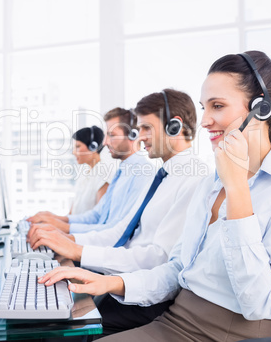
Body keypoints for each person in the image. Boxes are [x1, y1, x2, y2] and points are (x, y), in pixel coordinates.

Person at [39, 51, 271, 341]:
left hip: (228, 332)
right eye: (204, 107)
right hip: (177, 314)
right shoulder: (210, 183)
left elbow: (258, 303)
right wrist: (109, 282)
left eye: (218, 106)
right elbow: (177, 268)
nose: (205, 121)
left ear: (260, 109)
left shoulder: (243, 185)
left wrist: (237, 187)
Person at [31, 89, 208, 332]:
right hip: (126, 278)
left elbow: (160, 258)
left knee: (57, 327)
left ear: (173, 127)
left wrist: (78, 249)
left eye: (146, 128)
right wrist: (71, 243)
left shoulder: (193, 179)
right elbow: (120, 232)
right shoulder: (163, 175)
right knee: (48, 308)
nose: (140, 136)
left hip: (146, 293)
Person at [27, 108, 155, 234]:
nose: (104, 142)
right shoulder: (122, 172)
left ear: (133, 135)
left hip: (108, 248)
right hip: (98, 242)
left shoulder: (142, 173)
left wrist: (64, 230)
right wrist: (56, 220)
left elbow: (117, 231)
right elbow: (97, 215)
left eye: (112, 135)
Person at [69, 125, 114, 215]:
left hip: (85, 228)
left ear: (93, 147)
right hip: (73, 226)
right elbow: (72, 212)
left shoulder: (103, 175)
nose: (73, 152)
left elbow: (99, 216)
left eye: (78, 146)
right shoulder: (84, 173)